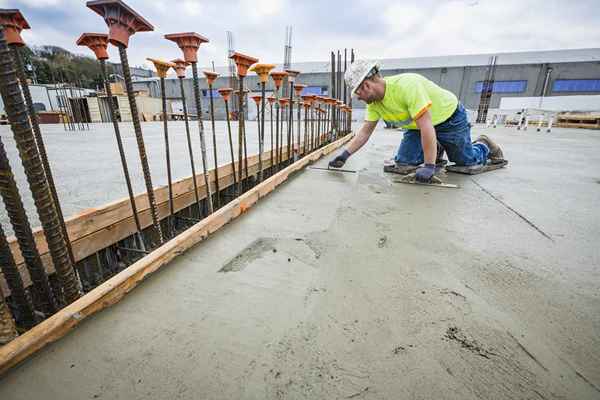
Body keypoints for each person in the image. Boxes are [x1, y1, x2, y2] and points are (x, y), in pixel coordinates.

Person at [329, 60, 504, 182]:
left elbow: (427, 126)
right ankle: (437, 148)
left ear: (366, 85)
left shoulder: (406, 86)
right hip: (417, 128)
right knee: (404, 163)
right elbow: (364, 133)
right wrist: (344, 155)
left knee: (466, 162)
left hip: (449, 119)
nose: (358, 98)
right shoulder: (374, 102)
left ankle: (483, 145)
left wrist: (429, 165)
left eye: (357, 93)